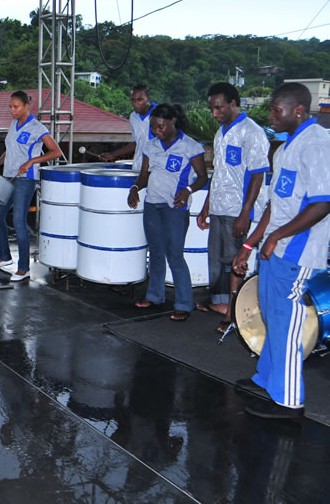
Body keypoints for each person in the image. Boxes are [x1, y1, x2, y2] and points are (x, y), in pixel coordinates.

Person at [232, 83, 330, 419]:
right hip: (275, 250)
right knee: (273, 318)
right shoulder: (285, 147)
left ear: (298, 110)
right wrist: (251, 244)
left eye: (277, 110)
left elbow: (323, 203)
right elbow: (276, 206)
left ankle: (289, 402)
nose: (271, 115)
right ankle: (268, 379)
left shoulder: (317, 144)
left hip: (298, 253)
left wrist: (277, 237)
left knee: (287, 324)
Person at [196, 82, 270, 333]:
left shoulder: (252, 132)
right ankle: (221, 304)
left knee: (236, 261)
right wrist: (207, 206)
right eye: (211, 109)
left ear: (233, 104)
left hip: (238, 209)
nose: (214, 113)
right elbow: (218, 173)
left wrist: (245, 214)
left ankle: (235, 312)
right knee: (218, 260)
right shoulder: (220, 133)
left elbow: (258, 175)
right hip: (219, 206)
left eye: (219, 108)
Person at [128, 103, 208, 322]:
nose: (157, 131)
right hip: (152, 204)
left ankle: (184, 303)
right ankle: (154, 296)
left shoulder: (190, 146)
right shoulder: (151, 145)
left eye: (161, 126)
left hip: (175, 207)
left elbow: (202, 177)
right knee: (155, 252)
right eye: (153, 127)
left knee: (175, 255)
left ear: (173, 122)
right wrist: (135, 188)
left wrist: (188, 190)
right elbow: (144, 175)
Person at [0, 90, 62, 282]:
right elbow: (10, 150)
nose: (12, 110)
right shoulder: (13, 124)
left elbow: (56, 152)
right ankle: (5, 256)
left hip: (26, 178)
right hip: (9, 176)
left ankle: (23, 268)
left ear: (27, 106)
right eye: (10, 107)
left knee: (18, 220)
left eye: (16, 107)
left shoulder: (37, 127)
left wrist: (31, 161)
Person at [100, 84, 156, 170]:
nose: (135, 103)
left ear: (148, 98)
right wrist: (113, 154)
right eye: (133, 99)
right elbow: (138, 143)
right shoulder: (133, 117)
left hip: (156, 168)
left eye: (139, 99)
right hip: (139, 166)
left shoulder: (160, 114)